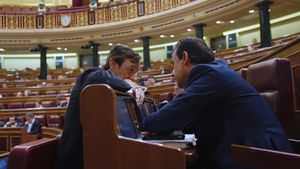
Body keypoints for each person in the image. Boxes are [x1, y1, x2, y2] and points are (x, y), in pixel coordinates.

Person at [140, 37, 293, 169]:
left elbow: (156, 121)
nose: (172, 73)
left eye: (174, 64)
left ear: (185, 58)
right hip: (250, 153)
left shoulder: (210, 76)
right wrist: (163, 126)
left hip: (259, 159)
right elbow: (187, 124)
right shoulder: (214, 73)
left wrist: (152, 125)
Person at [55, 44, 144, 169]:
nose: (133, 77)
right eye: (130, 69)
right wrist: (130, 85)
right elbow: (100, 76)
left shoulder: (115, 88)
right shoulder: (92, 75)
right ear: (112, 63)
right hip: (73, 159)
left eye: (136, 72)